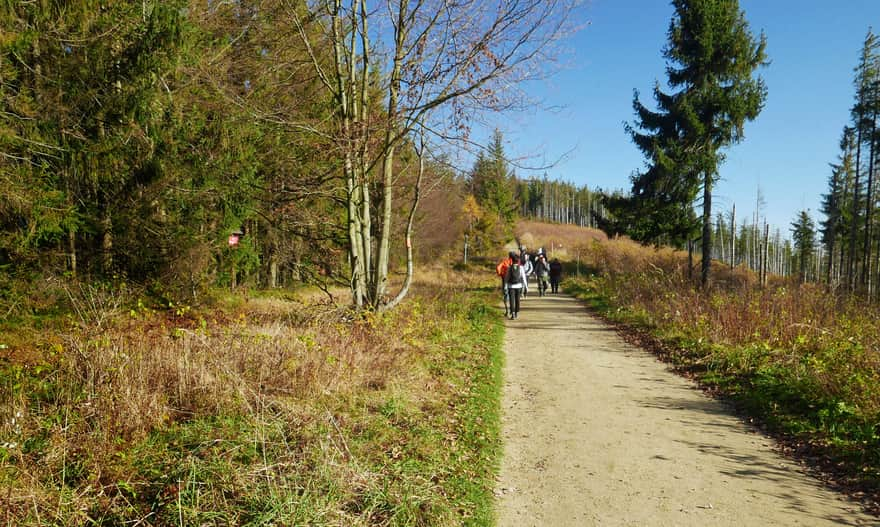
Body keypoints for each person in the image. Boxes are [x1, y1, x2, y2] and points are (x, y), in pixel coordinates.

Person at [505, 254, 527, 319]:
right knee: (517, 300)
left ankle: (513, 313)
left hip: (511, 286)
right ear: (518, 261)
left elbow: (507, 277)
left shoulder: (509, 268)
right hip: (519, 286)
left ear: (512, 261)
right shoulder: (521, 268)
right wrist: (526, 286)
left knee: (512, 300)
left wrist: (505, 286)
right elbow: (523, 277)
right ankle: (516, 312)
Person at [496, 251, 516, 317]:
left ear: (509, 256)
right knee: (513, 297)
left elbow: (498, 267)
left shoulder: (505, 261)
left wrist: (500, 274)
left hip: (505, 279)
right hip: (514, 281)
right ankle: (513, 311)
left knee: (506, 295)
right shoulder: (516, 262)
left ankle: (507, 311)